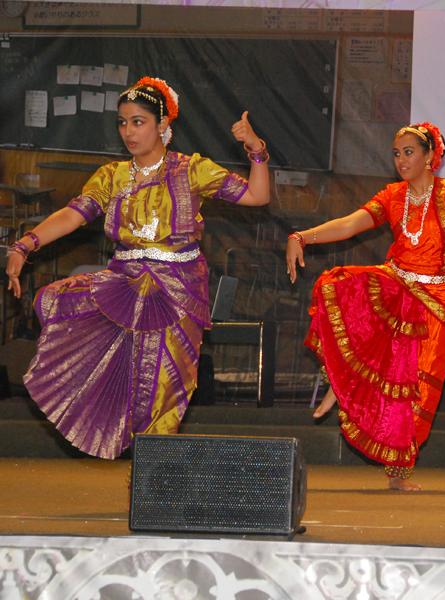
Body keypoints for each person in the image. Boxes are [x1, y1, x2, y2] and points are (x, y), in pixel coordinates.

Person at [5, 76, 270, 459]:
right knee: (55, 303)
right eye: (122, 122)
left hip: (177, 293)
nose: (128, 131)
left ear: (163, 124)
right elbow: (73, 214)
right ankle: (124, 441)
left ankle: (153, 475)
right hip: (124, 288)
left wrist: (255, 149)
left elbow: (258, 195)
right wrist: (26, 243)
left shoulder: (191, 170)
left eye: (138, 121)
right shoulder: (112, 176)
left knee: (164, 388)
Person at [286, 122, 445, 491]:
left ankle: (398, 469)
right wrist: (303, 236)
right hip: (397, 285)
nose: (401, 160)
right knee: (340, 288)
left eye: (409, 152)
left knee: (419, 385)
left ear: (431, 156)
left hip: (439, 299)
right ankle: (343, 382)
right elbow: (350, 225)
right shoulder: (393, 196)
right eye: (397, 153)